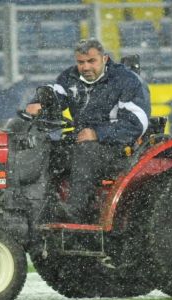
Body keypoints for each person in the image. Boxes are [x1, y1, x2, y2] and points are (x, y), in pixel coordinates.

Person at [26, 38, 151, 223]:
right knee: (45, 149)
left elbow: (136, 124)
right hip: (82, 140)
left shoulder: (126, 81)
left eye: (91, 61)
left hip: (117, 149)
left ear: (105, 59)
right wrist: (39, 103)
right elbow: (54, 94)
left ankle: (76, 212)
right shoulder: (70, 78)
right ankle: (39, 207)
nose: (85, 67)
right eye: (81, 62)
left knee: (85, 152)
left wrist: (97, 133)